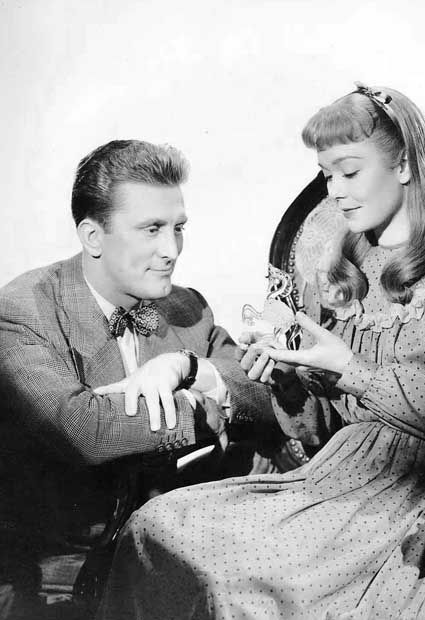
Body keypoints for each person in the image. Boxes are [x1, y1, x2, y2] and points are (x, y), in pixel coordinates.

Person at [97, 86, 425, 619]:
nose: (335, 192)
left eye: (349, 172)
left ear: (405, 165)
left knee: (232, 578)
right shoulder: (341, 274)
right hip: (331, 478)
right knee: (155, 525)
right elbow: (316, 433)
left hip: (420, 502)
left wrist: (352, 370)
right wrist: (287, 378)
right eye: (326, 175)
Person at [0, 140, 274, 615]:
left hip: (169, 554)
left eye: (178, 228)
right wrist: (202, 409)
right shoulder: (23, 310)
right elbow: (83, 429)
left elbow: (265, 395)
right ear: (93, 237)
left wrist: (189, 367)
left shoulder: (187, 306)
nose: (171, 251)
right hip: (55, 575)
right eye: (151, 229)